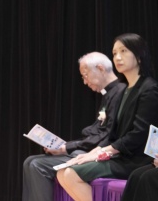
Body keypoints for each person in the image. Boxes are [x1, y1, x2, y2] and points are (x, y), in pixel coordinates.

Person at [57, 33, 158, 201]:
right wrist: (92, 154)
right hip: (121, 156)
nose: (117, 57)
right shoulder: (125, 89)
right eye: (114, 53)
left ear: (139, 55)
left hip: (136, 160)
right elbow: (113, 134)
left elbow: (138, 134)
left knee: (70, 174)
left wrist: (104, 151)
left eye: (124, 51)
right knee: (63, 172)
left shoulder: (149, 89)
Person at [22, 52, 126, 201]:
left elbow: (107, 135)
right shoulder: (108, 94)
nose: (85, 82)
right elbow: (98, 131)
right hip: (89, 150)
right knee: (29, 162)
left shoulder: (120, 92)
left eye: (85, 75)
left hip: (100, 153)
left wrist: (67, 147)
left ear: (100, 68)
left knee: (37, 165)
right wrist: (66, 146)